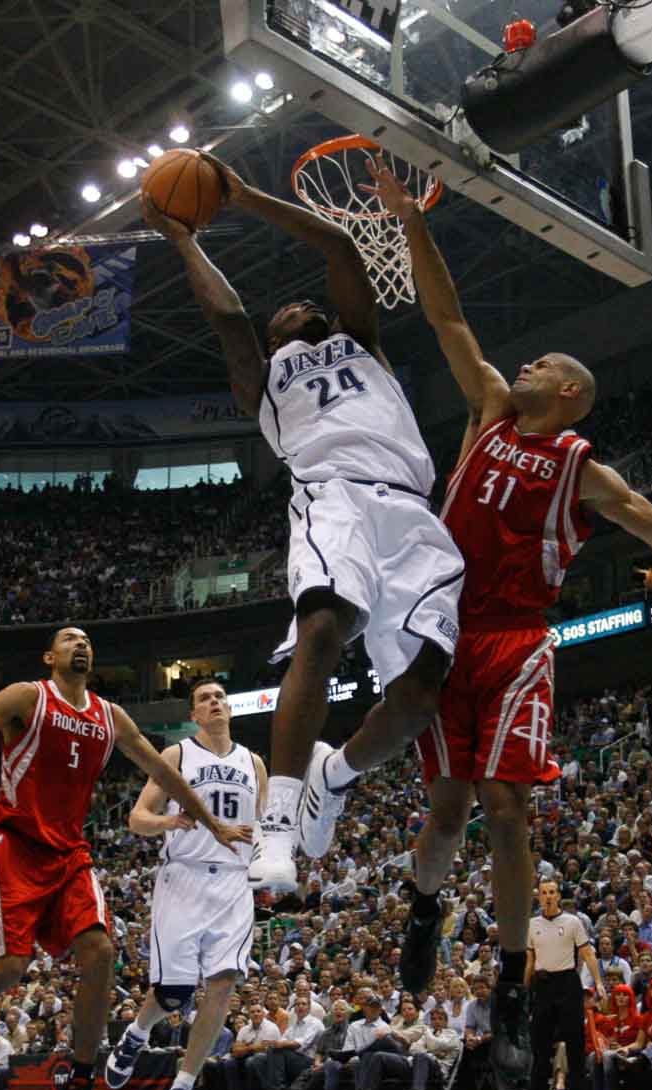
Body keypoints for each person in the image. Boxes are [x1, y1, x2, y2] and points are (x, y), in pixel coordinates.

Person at [367, 160, 652, 1089]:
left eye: (543, 364)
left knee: (506, 810)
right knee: (445, 811)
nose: (526, 363)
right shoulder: (490, 414)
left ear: (571, 394)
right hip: (440, 630)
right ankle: (425, 904)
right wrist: (408, 223)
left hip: (514, 640)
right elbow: (446, 319)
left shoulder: (583, 469)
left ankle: (509, 987)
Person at [143, 159, 461, 892]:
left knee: (418, 699)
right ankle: (277, 830)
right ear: (273, 333)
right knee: (322, 628)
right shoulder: (265, 379)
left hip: (411, 512)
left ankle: (335, 772)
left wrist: (248, 195)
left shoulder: (361, 340)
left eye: (302, 303)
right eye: (283, 310)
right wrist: (183, 236)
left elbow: (342, 251)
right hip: (333, 496)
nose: (297, 304)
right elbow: (227, 318)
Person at [0, 627, 252, 1090]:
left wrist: (212, 821)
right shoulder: (28, 697)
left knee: (101, 954)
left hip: (69, 853)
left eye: (86, 640)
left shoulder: (110, 716)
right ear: (51, 656)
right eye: (69, 639)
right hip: (16, 843)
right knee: (11, 966)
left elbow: (168, 774)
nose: (80, 645)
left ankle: (76, 1088)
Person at [103, 676, 266, 1090]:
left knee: (223, 983)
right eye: (204, 699)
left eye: (219, 697)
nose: (214, 703)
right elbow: (137, 818)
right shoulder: (177, 755)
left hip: (234, 884)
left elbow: (267, 824)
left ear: (229, 710)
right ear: (193, 715)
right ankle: (137, 1033)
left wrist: (270, 852)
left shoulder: (255, 763)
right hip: (184, 880)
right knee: (174, 994)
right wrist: (171, 821)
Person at [512, 880, 602, 1090]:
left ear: (558, 896)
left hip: (568, 983)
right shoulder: (532, 924)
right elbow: (530, 961)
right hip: (542, 985)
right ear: (538, 897)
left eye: (552, 892)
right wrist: (524, 989)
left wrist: (599, 982)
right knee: (539, 1045)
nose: (548, 896)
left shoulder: (573, 922)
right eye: (544, 893)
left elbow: (588, 954)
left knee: (574, 1042)